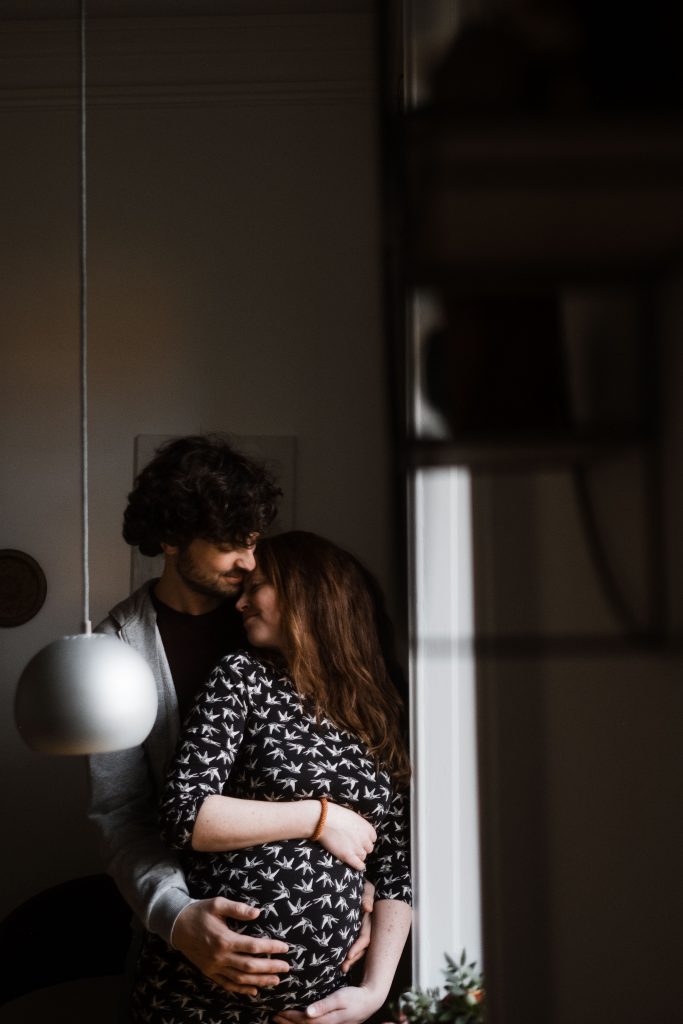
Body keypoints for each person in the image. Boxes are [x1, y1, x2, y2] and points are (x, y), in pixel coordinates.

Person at [87, 437, 375, 1001]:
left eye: (252, 542)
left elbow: (347, 759)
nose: (248, 563)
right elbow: (123, 813)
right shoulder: (116, 651)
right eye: (228, 547)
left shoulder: (277, 619)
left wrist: (361, 887)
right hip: (185, 958)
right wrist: (178, 919)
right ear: (170, 541)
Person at [130, 531, 412, 1024]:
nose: (239, 602)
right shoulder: (243, 677)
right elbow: (185, 813)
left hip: (320, 1009)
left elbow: (395, 869)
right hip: (199, 999)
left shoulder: (382, 710)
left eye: (256, 586)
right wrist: (317, 819)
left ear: (307, 592)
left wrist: (372, 992)